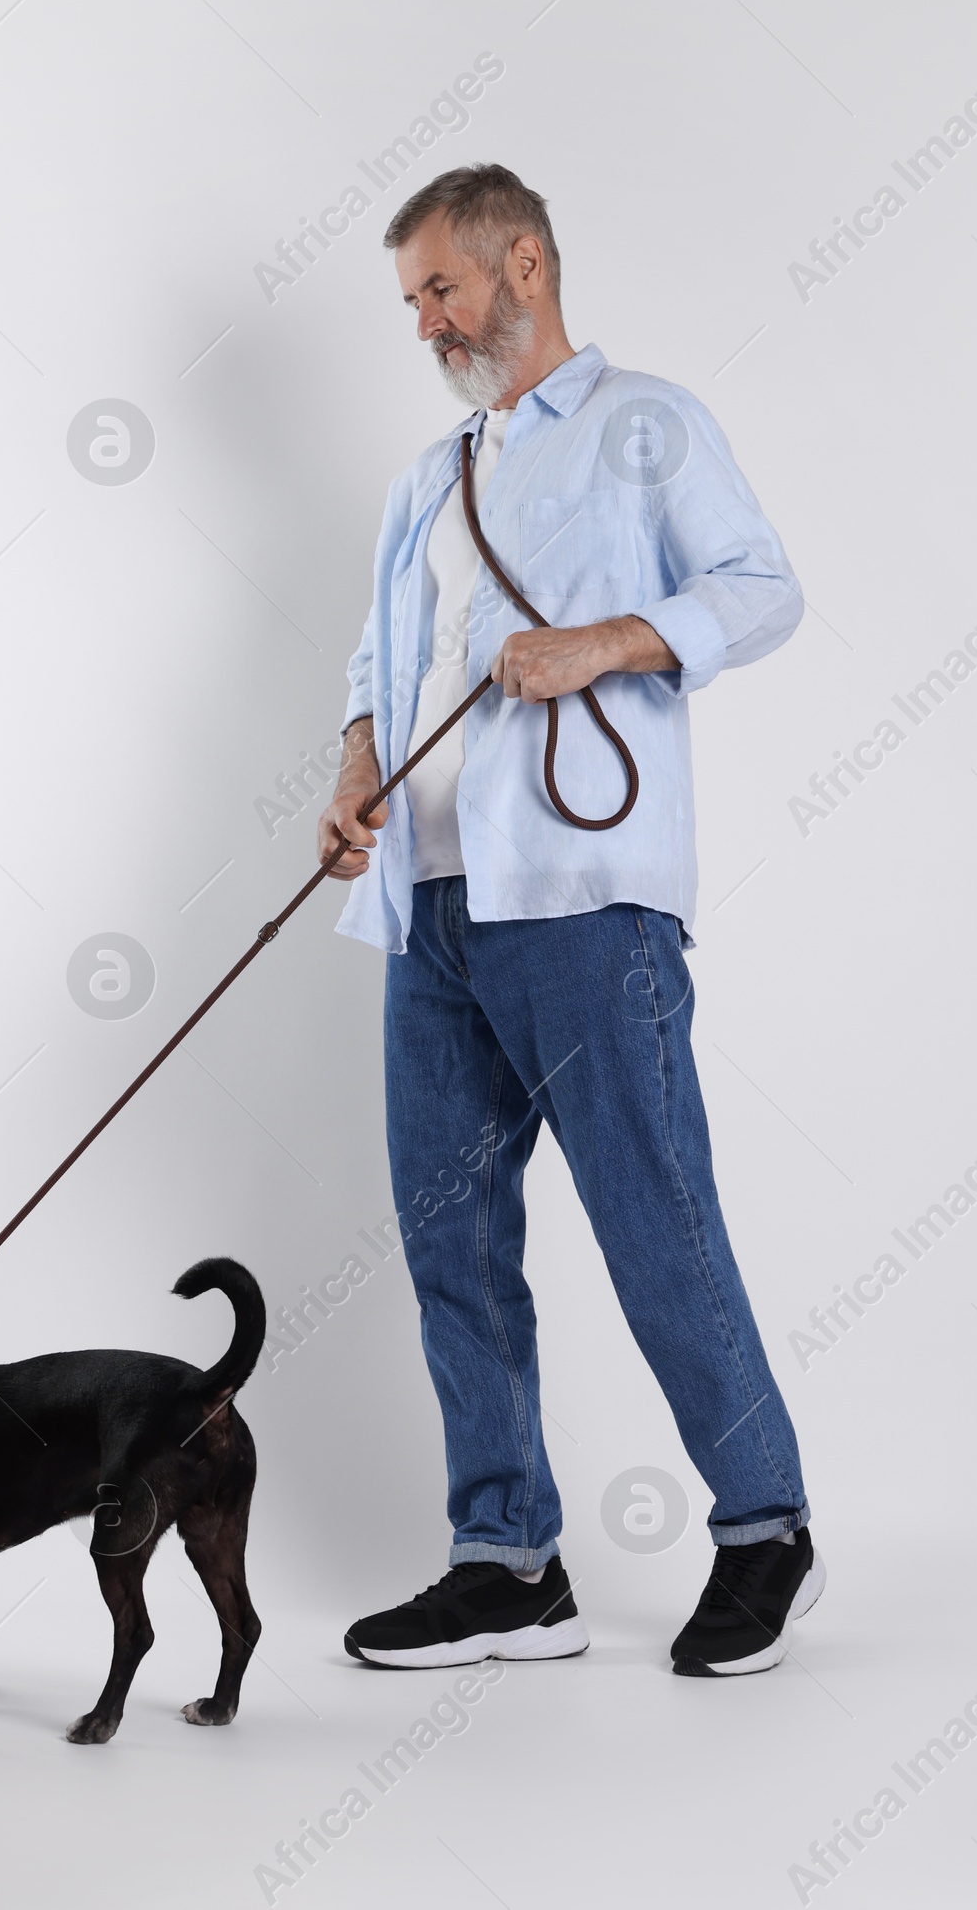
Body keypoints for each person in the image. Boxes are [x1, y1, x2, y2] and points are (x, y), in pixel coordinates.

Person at [319, 164, 823, 1679]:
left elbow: (763, 586)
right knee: (449, 1241)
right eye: (410, 300)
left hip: (588, 909)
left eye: (440, 289)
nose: (424, 322)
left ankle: (763, 1528)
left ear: (522, 262)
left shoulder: (644, 420)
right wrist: (354, 775)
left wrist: (602, 643)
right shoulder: (430, 473)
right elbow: (374, 664)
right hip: (434, 909)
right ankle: (505, 1562)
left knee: (655, 1221)